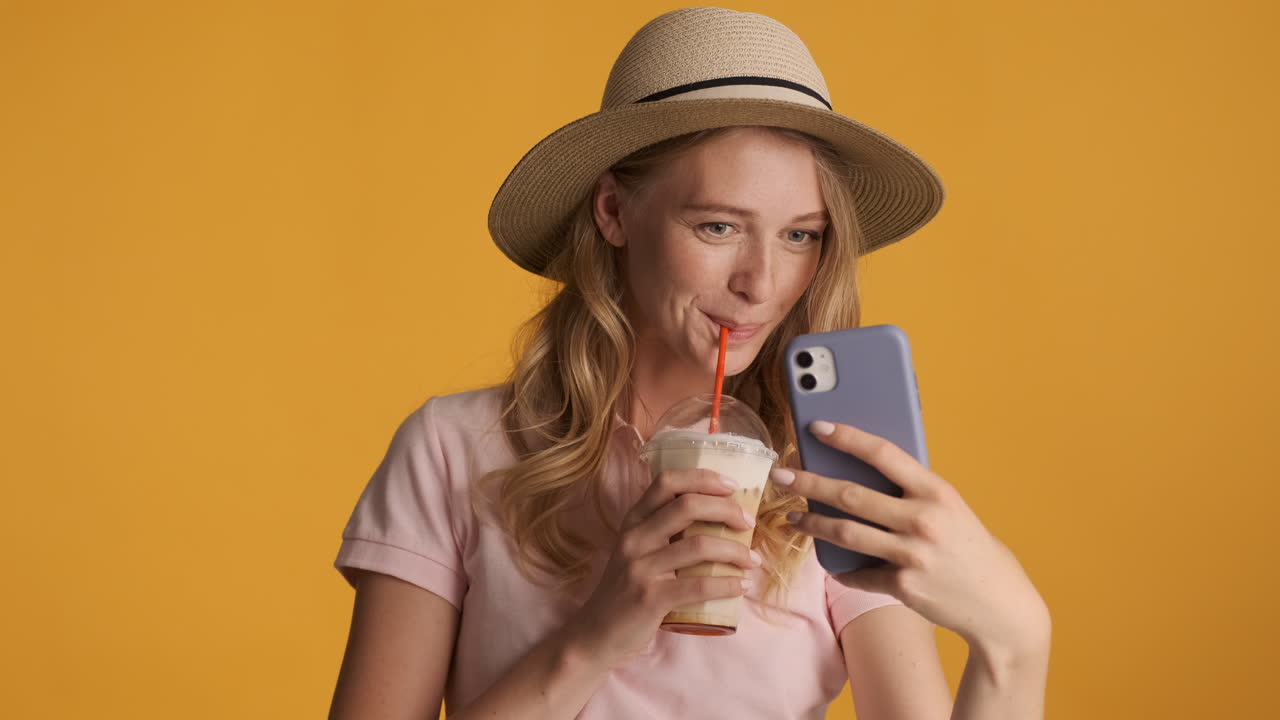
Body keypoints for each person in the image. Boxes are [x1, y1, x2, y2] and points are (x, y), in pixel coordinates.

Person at [328, 7, 1050, 719]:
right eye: (718, 225)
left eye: (800, 235)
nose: (761, 283)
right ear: (613, 211)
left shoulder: (829, 482)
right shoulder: (454, 450)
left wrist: (1017, 642)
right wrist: (597, 636)